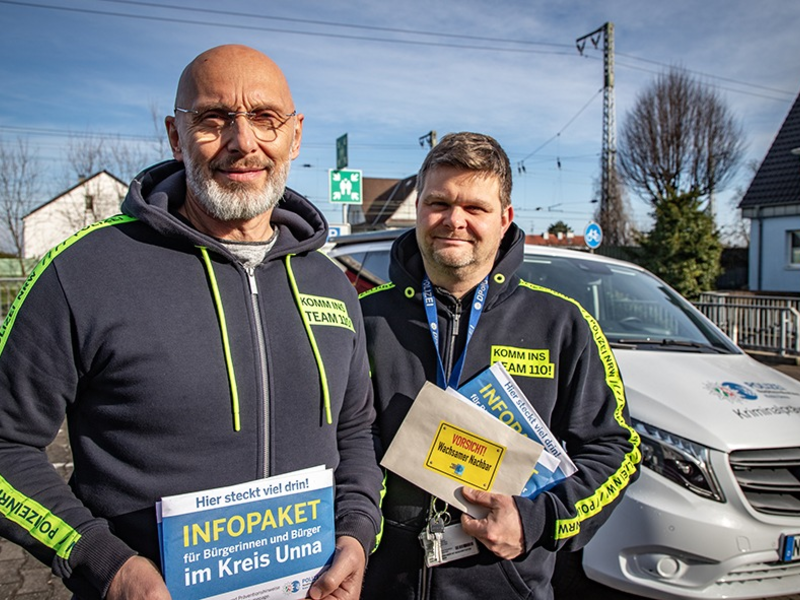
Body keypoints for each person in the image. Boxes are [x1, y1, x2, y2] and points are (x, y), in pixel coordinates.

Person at [0, 45, 382, 600]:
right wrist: (104, 563)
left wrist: (355, 533)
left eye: (265, 119)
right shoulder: (81, 272)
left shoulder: (329, 283)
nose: (243, 141)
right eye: (212, 119)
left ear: (295, 136)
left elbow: (354, 432)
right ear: (176, 137)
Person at [359, 132, 641, 600]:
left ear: (505, 218)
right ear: (419, 210)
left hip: (506, 586)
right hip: (379, 586)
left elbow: (619, 450)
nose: (454, 221)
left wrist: (539, 519)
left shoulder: (562, 325)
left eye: (475, 208)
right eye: (439, 203)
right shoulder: (363, 318)